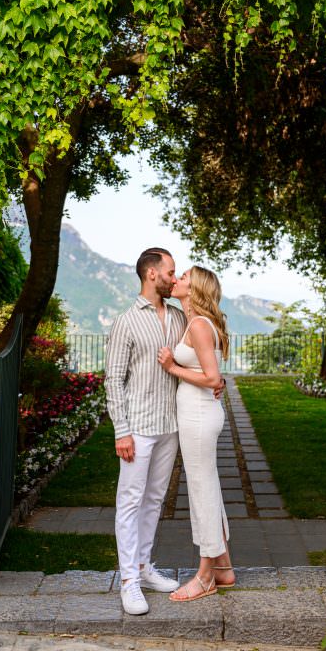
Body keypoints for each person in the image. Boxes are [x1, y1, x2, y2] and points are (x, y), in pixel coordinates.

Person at [105, 247, 186, 616]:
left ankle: (143, 567)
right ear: (152, 273)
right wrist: (121, 431)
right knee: (130, 501)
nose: (174, 277)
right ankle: (128, 581)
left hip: (170, 425)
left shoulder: (178, 317)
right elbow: (113, 380)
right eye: (170, 271)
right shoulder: (126, 321)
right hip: (137, 427)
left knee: (155, 500)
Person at [158, 265, 236, 601]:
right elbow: (213, 376)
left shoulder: (201, 325)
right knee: (208, 488)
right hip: (198, 414)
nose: (177, 279)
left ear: (195, 289)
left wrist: (172, 367)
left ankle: (205, 578)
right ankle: (224, 568)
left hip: (200, 416)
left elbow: (212, 378)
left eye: (184, 277)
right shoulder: (196, 322)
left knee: (202, 492)